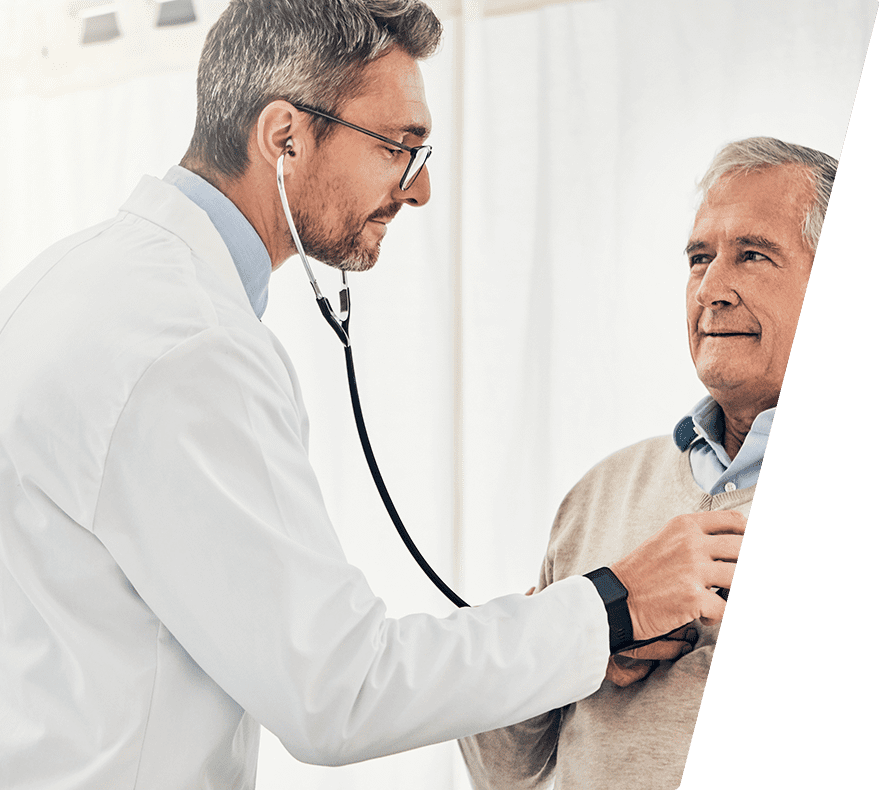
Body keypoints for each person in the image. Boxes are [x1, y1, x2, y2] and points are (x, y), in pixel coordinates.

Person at [0, 2, 743, 788]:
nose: (417, 192)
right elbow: (339, 691)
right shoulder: (192, 347)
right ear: (285, 137)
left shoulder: (55, 286)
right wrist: (610, 606)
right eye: (400, 147)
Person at [458, 136, 838, 790]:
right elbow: (503, 768)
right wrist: (574, 635)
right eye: (699, 258)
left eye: (752, 255)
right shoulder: (600, 491)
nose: (711, 287)